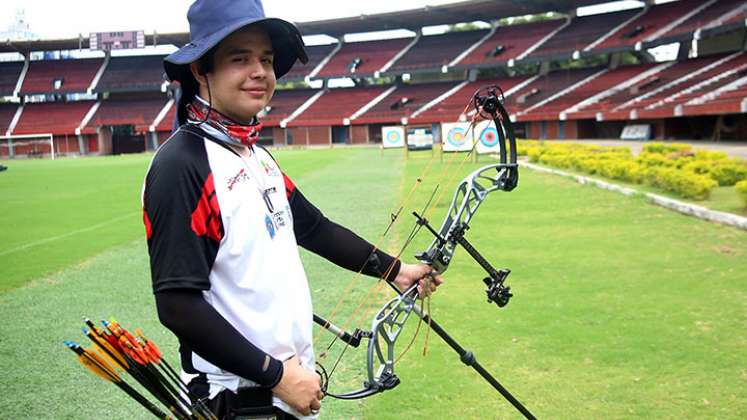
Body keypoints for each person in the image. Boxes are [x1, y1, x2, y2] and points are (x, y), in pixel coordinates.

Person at [142, 1, 443, 419]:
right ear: (200, 69)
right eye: (239, 58)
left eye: (265, 59)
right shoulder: (183, 164)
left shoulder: (255, 155)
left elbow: (314, 228)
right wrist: (274, 375)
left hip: (284, 388)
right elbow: (177, 304)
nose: (260, 72)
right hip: (236, 398)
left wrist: (395, 270)